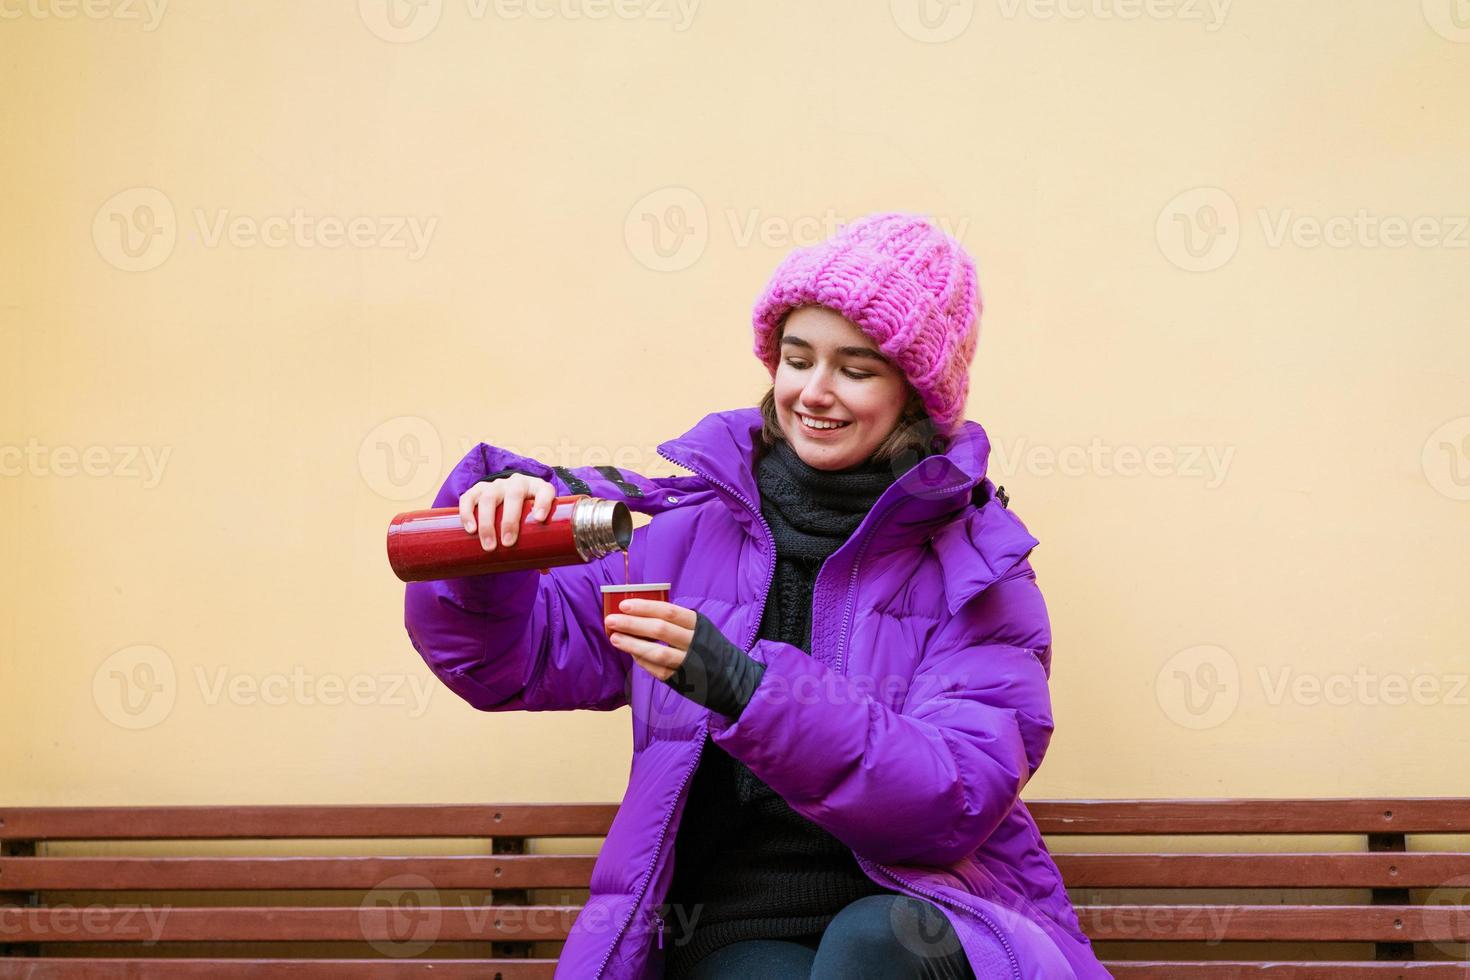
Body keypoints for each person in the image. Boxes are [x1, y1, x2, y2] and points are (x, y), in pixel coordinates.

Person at [403, 213, 1112, 979]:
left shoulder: (977, 568)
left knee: (872, 947)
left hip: (923, 915)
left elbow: (951, 801)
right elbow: (513, 661)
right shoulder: (688, 534)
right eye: (796, 358)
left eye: (856, 368)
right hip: (736, 927)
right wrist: (489, 553)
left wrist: (745, 689)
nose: (814, 392)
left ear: (915, 394)